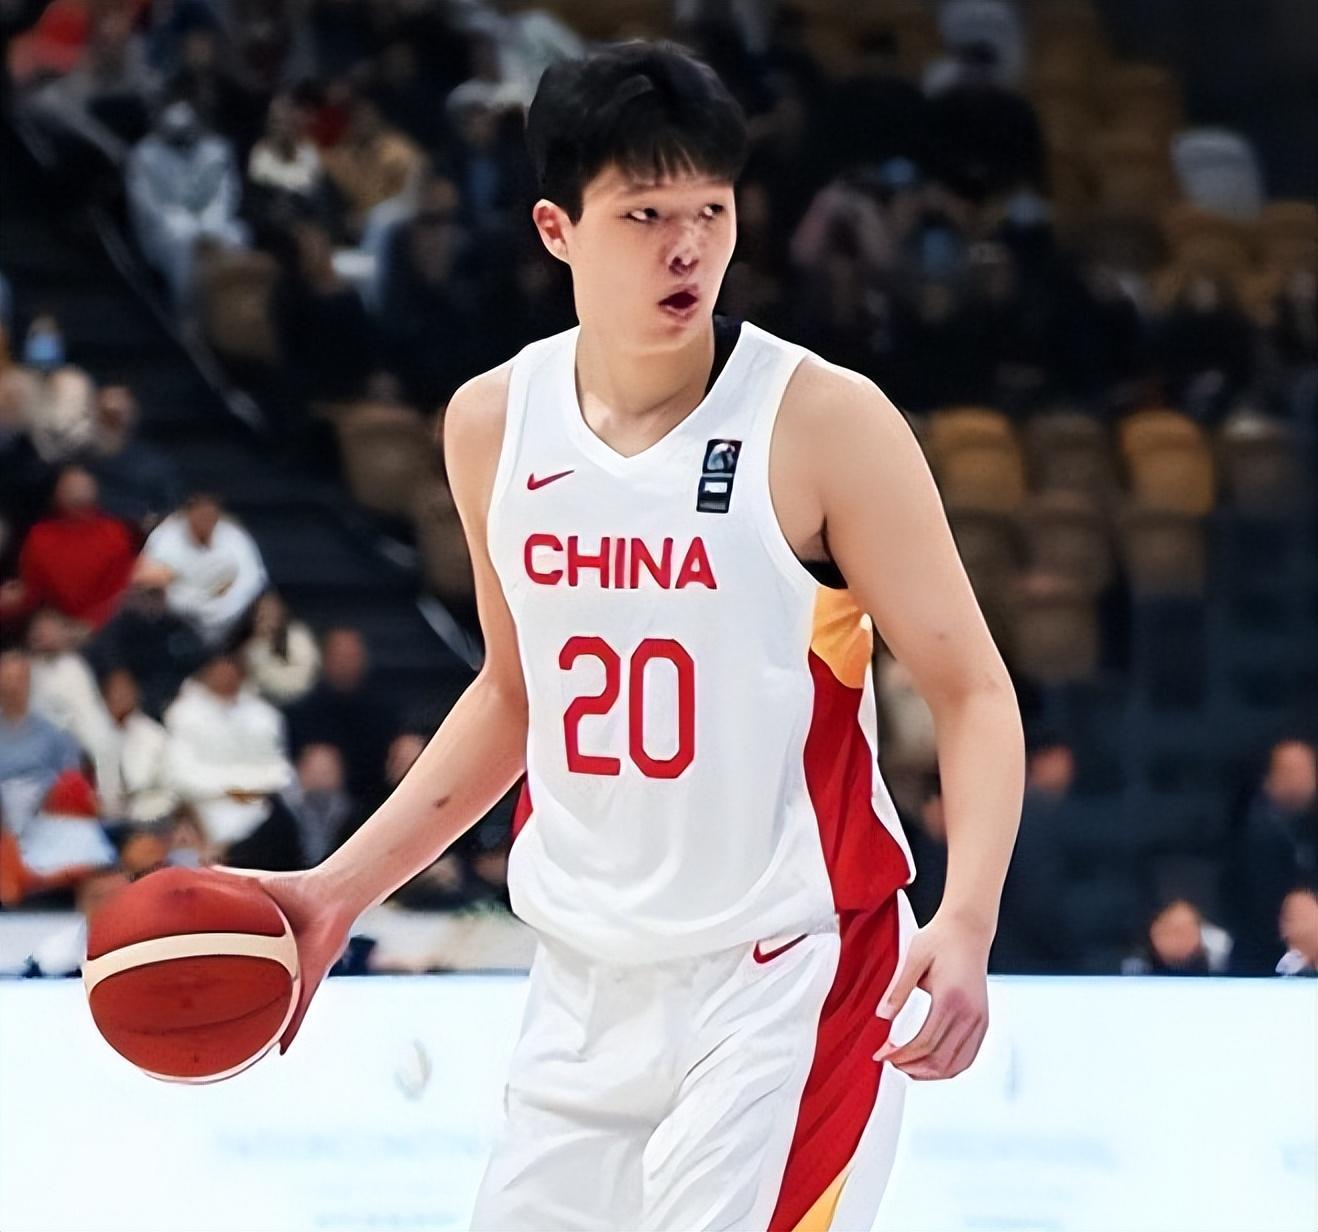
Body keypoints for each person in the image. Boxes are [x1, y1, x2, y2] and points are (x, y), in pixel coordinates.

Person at [215, 41, 1023, 1232]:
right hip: (582, 987)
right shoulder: (493, 422)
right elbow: (514, 695)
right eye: (645, 214)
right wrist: (340, 889)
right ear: (557, 228)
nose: (686, 246)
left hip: (788, 976)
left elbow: (972, 689)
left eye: (710, 210)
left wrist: (966, 919)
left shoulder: (823, 421)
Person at [136, 491, 268, 649]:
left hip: (236, 626)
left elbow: (251, 582)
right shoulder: (165, 538)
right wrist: (208, 598)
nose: (205, 516)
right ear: (188, 513)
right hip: (176, 626)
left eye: (210, 510)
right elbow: (161, 591)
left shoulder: (234, 537)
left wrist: (218, 605)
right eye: (199, 510)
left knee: (267, 611)